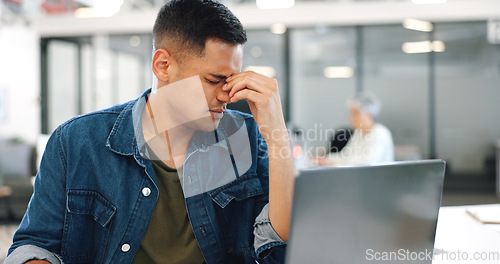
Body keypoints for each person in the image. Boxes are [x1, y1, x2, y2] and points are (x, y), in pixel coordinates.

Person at [5, 0, 295, 263]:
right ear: (163, 65)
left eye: (232, 81)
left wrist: (277, 134)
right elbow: (34, 245)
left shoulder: (243, 137)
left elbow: (276, 248)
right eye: (214, 80)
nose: (227, 95)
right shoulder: (76, 141)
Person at [315, 91, 394, 166]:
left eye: (355, 114)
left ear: (368, 114)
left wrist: (332, 164)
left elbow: (365, 163)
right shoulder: (359, 133)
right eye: (350, 114)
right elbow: (346, 156)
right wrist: (325, 160)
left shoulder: (380, 133)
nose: (350, 118)